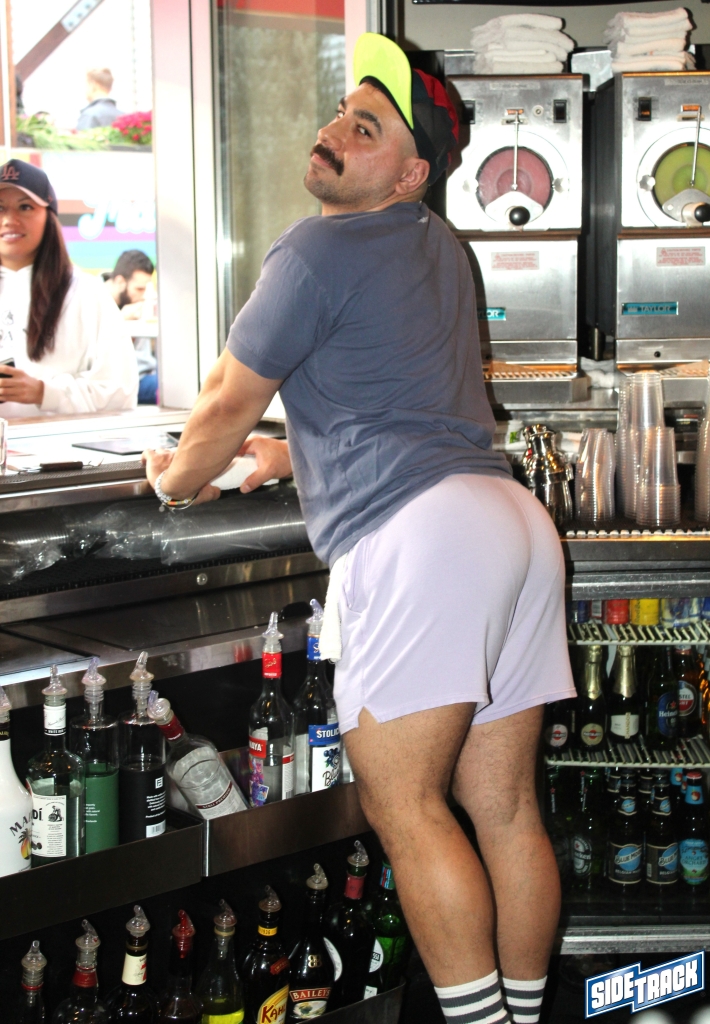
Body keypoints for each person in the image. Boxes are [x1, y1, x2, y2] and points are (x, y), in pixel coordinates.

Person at [143, 33, 574, 1024]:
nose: (334, 130)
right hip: (510, 525)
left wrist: (178, 483)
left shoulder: (314, 248)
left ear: (411, 174)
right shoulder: (439, 250)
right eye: (342, 114)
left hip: (426, 542)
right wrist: (287, 455)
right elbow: (401, 409)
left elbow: (222, 401)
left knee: (404, 805)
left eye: (367, 128)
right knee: (506, 807)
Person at [0, 159, 138, 416]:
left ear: (49, 216)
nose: (9, 220)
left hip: (58, 441)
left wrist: (44, 393)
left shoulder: (86, 293)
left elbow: (120, 391)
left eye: (25, 207)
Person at [104, 250, 158, 405]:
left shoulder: (135, 304)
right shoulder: (94, 303)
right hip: (124, 383)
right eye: (139, 289)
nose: (143, 295)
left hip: (146, 374)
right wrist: (121, 320)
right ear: (120, 282)